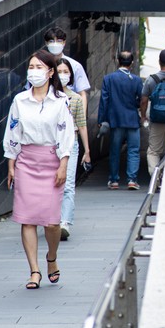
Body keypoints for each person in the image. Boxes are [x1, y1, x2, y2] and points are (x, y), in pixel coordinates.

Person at [4, 50, 74, 290]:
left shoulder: (60, 101)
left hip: (51, 160)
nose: (34, 71)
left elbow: (66, 134)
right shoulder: (19, 100)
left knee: (52, 223)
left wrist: (63, 163)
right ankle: (34, 270)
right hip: (26, 160)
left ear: (50, 72)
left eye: (39, 67)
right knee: (27, 219)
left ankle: (51, 258)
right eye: (30, 66)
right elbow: (12, 131)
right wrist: (11, 163)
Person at [55, 59, 90, 242]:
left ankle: (64, 223)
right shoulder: (48, 98)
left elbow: (82, 125)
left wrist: (87, 150)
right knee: (53, 184)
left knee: (68, 185)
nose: (62, 74)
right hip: (51, 146)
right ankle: (52, 220)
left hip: (72, 144)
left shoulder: (75, 99)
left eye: (65, 71)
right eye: (59, 70)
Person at [98, 51, 142, 190]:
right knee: (134, 150)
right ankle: (132, 180)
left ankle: (114, 180)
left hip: (116, 120)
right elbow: (141, 99)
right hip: (132, 120)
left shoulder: (109, 79)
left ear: (118, 61)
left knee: (115, 150)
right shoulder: (136, 80)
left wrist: (102, 119)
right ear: (132, 63)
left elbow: (104, 100)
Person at [140, 49, 165, 177]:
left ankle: (156, 178)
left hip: (157, 120)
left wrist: (143, 116)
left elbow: (144, 101)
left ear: (159, 62)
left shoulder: (151, 80)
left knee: (154, 151)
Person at [42, 26, 90, 115]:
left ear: (64, 42)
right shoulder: (40, 64)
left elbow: (82, 94)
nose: (55, 44)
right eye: (51, 41)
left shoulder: (75, 66)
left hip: (68, 111)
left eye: (59, 41)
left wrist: (81, 120)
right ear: (46, 43)